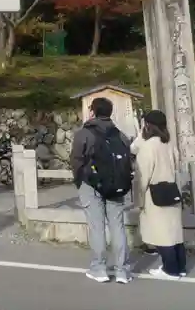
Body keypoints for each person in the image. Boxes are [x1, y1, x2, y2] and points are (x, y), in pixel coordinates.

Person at [70, 97, 133, 284]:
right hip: (116, 187)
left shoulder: (84, 133)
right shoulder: (120, 135)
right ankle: (122, 270)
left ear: (93, 111)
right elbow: (128, 161)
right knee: (117, 226)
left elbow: (76, 160)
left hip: (91, 185)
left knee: (97, 227)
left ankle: (99, 268)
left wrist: (80, 181)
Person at [135, 110, 187, 279]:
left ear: (148, 125)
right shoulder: (169, 144)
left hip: (155, 194)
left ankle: (169, 270)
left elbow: (143, 176)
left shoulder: (148, 146)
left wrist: (139, 200)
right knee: (175, 233)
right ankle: (180, 267)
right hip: (172, 190)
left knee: (161, 233)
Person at [130, 134, 158, 257]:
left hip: (150, 187)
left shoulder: (146, 141)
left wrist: (138, 196)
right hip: (167, 186)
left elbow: (133, 148)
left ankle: (151, 246)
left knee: (149, 216)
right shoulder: (167, 140)